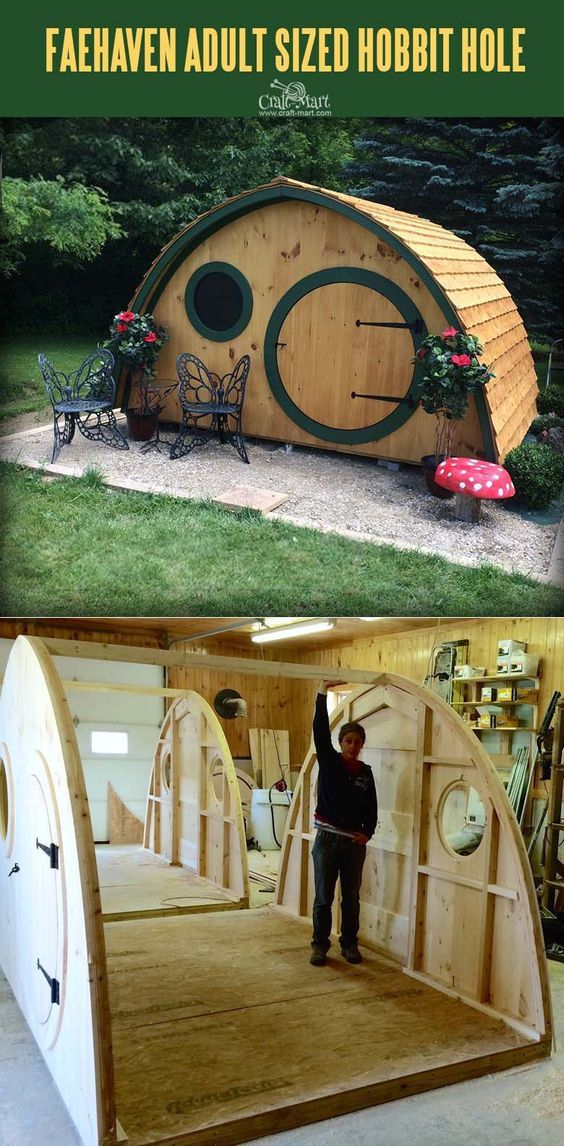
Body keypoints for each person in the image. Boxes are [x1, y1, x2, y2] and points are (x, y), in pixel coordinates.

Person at [309, 680, 378, 967]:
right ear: (341, 743)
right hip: (327, 840)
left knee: (350, 898)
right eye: (348, 741)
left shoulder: (365, 773)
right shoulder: (329, 761)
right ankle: (319, 946)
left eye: (358, 742)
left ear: (362, 744)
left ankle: (349, 944)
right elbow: (320, 731)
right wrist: (322, 694)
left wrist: (367, 834)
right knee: (324, 897)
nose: (353, 746)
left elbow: (371, 808)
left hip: (353, 843)